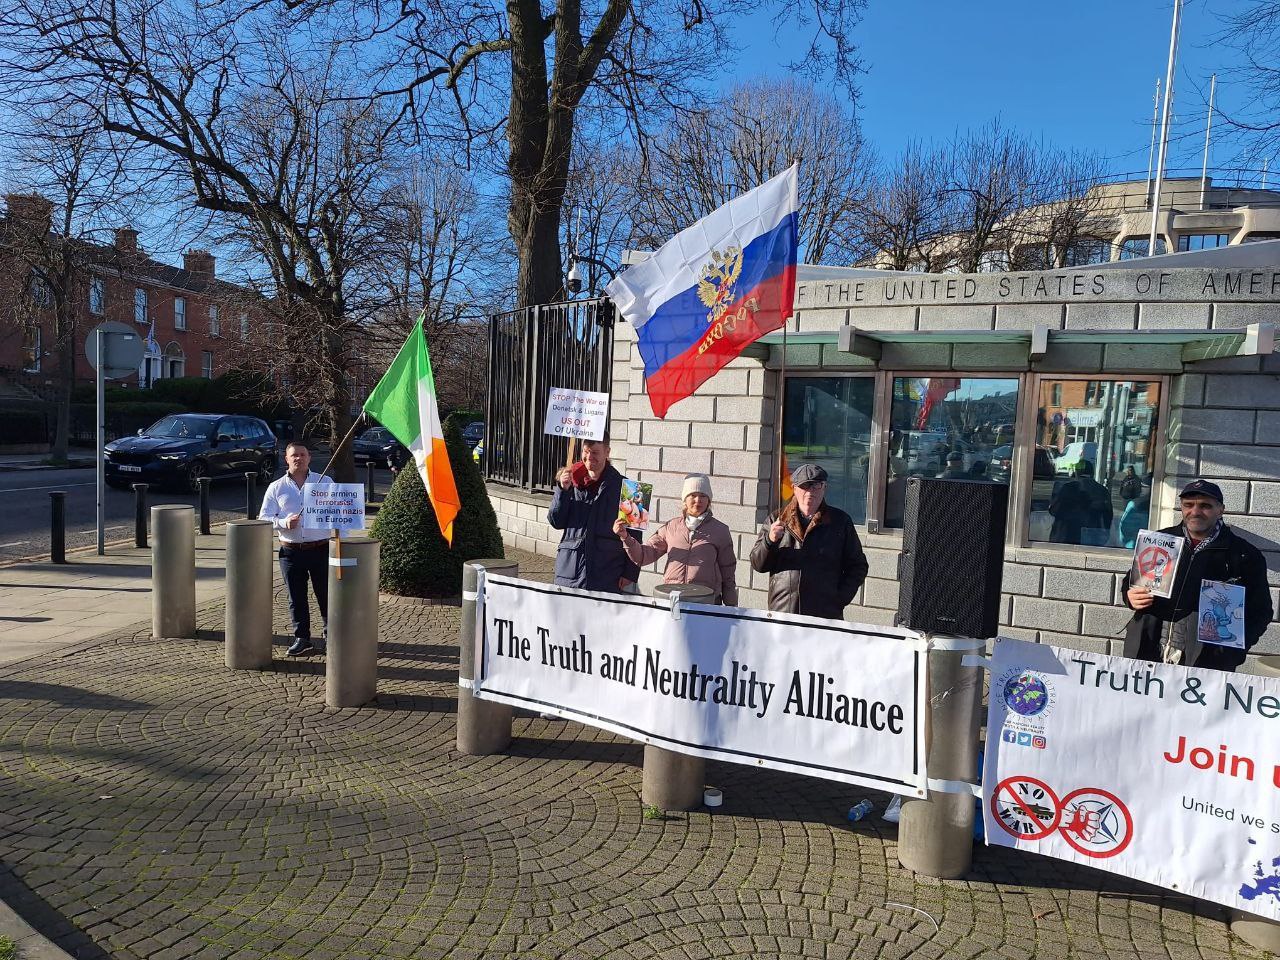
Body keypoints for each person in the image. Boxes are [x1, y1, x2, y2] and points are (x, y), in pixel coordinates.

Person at [1123, 479, 1272, 672]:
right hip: (1147, 652)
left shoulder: (1244, 555)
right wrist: (1130, 596)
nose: (1195, 511)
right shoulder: (1159, 541)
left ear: (1220, 510)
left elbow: (1261, 612)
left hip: (1206, 665)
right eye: (1188, 505)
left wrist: (1233, 652)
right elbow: (1131, 583)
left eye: (1205, 506)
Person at [749, 463, 869, 620]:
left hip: (824, 617)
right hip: (783, 613)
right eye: (804, 486)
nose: (810, 492)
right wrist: (769, 541)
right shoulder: (776, 519)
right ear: (794, 488)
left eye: (816, 486)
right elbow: (758, 565)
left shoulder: (840, 522)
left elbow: (858, 566)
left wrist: (838, 600)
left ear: (824, 487)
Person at [612, 474, 738, 605]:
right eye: (693, 495)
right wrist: (625, 537)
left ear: (709, 500)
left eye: (703, 496)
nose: (698, 500)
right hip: (673, 602)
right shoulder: (671, 527)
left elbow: (728, 572)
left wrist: (731, 607)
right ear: (685, 499)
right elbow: (643, 556)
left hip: (706, 603)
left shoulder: (720, 530)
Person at [258, 441, 331, 657]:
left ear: (309, 457)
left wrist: (340, 543)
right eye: (294, 455)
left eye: (302, 454)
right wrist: (282, 522)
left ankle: (332, 637)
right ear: (286, 459)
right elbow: (264, 518)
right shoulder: (276, 487)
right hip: (290, 551)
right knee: (296, 596)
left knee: (326, 595)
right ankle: (302, 638)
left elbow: (341, 512)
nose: (298, 458)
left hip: (321, 548)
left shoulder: (324, 481)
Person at [547, 432, 639, 592]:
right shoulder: (569, 484)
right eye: (585, 451)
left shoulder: (630, 489)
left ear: (607, 452)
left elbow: (636, 534)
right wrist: (562, 490)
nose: (589, 457)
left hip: (608, 573)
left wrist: (630, 572)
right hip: (570, 572)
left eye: (595, 452)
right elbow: (556, 521)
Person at [1049, 460, 1113, 545]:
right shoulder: (1102, 491)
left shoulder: (1067, 488)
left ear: (1076, 473)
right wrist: (1105, 534)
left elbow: (1054, 510)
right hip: (1091, 537)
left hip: (1065, 535)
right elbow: (1108, 516)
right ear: (1092, 473)